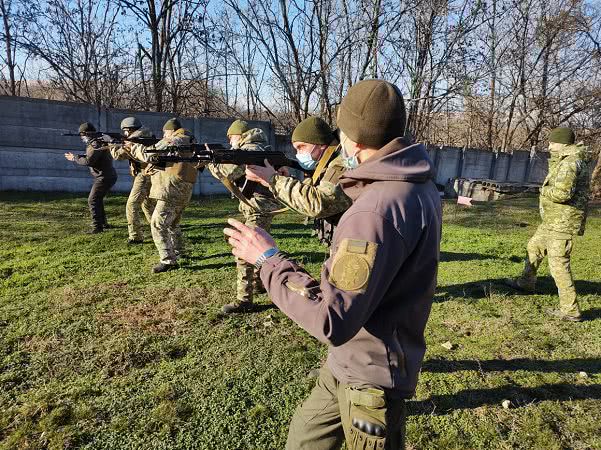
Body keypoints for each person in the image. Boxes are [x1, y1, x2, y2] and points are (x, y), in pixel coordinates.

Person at [224, 79, 442, 449]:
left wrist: (268, 259)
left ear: (354, 140)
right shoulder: (418, 185)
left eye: (341, 130)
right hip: (348, 361)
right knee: (304, 438)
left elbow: (331, 319)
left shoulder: (374, 211)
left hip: (370, 378)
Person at [505, 127, 592, 322]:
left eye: (552, 142)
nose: (549, 145)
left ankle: (570, 310)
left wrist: (543, 191)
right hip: (552, 220)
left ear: (562, 143)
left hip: (562, 222)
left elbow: (562, 194)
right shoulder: (564, 160)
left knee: (558, 265)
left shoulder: (570, 163)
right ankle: (526, 282)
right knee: (534, 247)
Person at [206, 119, 281, 314]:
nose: (231, 142)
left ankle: (244, 300)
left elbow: (229, 173)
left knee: (244, 251)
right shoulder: (260, 146)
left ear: (239, 135)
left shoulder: (250, 149)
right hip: (261, 205)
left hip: (259, 206)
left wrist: (211, 163)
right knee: (259, 247)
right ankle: (259, 284)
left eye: (231, 138)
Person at [245, 116, 352, 247]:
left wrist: (274, 180)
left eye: (301, 147)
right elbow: (311, 192)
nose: (298, 153)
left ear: (322, 145)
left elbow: (319, 203)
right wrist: (284, 179)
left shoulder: (341, 163)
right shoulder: (326, 164)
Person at [128, 118, 198, 273]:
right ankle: (181, 252)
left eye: (165, 133)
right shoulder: (187, 141)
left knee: (157, 224)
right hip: (181, 189)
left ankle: (168, 260)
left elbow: (149, 154)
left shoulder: (177, 139)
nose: (163, 136)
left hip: (172, 190)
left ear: (170, 131)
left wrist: (133, 147)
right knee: (172, 224)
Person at [109, 117, 157, 244]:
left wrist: (111, 144)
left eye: (125, 131)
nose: (124, 134)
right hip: (151, 173)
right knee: (147, 205)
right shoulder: (145, 135)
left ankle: (136, 236)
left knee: (132, 204)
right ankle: (160, 230)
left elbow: (117, 156)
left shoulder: (135, 140)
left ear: (129, 130)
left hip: (145, 174)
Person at [64, 122, 117, 233]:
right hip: (106, 176)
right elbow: (91, 157)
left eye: (82, 135)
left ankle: (97, 227)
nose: (81, 138)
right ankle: (102, 223)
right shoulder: (98, 142)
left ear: (85, 134)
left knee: (92, 200)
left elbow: (89, 161)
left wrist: (75, 158)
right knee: (97, 199)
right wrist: (79, 157)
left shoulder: (95, 144)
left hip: (103, 177)